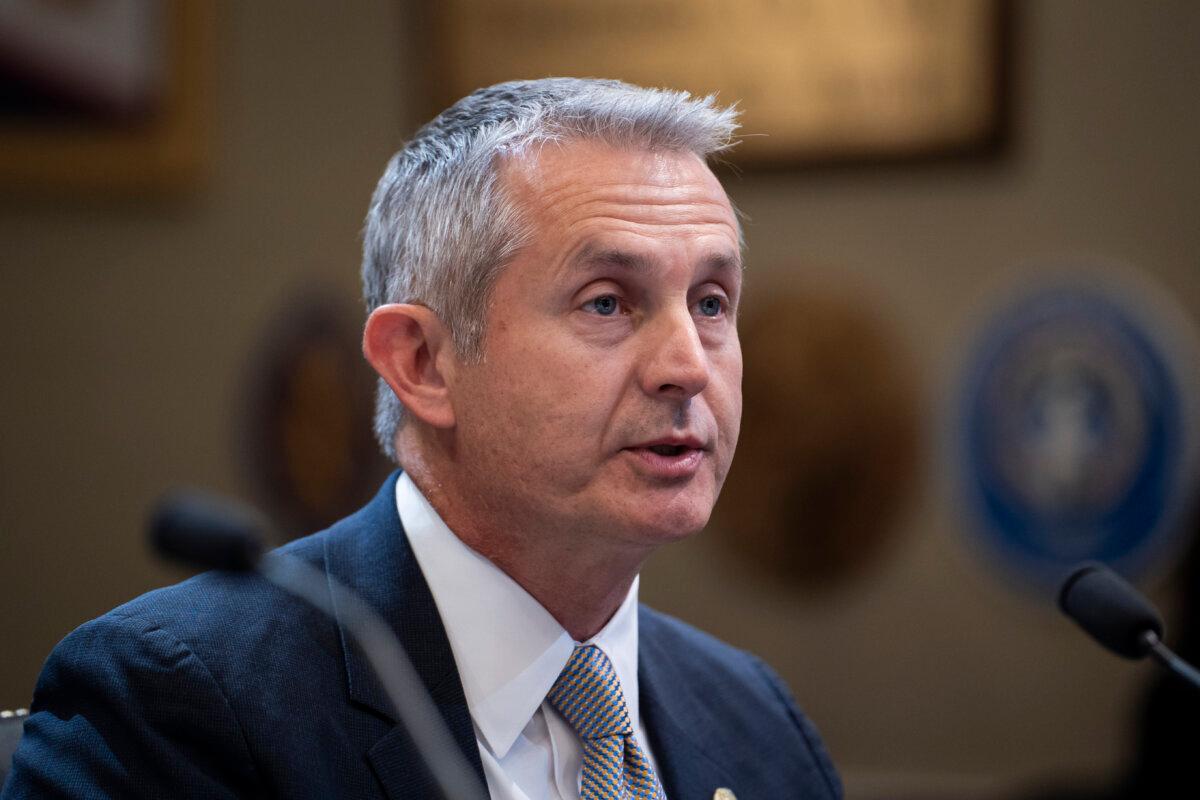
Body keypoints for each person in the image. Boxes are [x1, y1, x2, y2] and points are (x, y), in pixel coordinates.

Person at [2, 78, 841, 799]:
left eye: (710, 302)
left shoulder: (758, 726)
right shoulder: (179, 705)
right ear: (423, 363)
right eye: (607, 302)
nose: (687, 368)